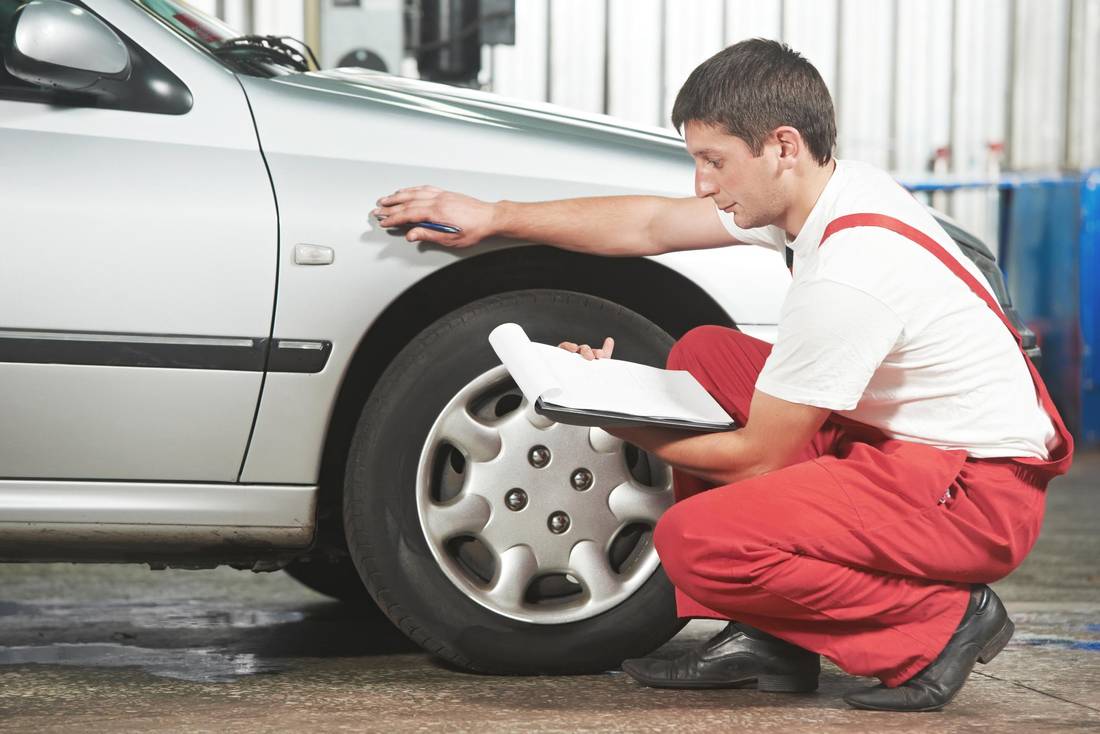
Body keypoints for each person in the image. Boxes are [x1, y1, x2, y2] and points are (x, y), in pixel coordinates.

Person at [369, 39, 1074, 712]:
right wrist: (494, 216)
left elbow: (754, 455)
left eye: (714, 161)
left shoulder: (850, 272)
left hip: (971, 493)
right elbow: (649, 225)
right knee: (707, 355)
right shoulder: (821, 192)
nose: (702, 184)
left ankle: (942, 622)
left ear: (782, 147)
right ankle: (770, 641)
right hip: (917, 446)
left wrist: (618, 417)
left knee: (695, 541)